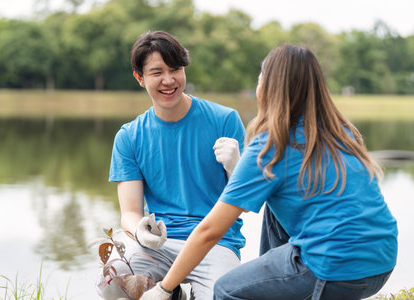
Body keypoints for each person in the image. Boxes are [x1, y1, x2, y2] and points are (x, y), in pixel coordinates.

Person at [140, 44, 398, 300]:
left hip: (335, 271)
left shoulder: (270, 147)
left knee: (226, 289)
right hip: (382, 261)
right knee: (272, 213)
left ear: (268, 85)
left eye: (260, 76)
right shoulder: (342, 131)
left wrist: (164, 289)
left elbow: (210, 231)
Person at [97, 31, 246, 299]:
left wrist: (237, 168)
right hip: (159, 245)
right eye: (157, 72)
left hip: (217, 242)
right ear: (140, 78)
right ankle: (172, 293)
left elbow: (245, 206)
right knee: (113, 283)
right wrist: (141, 233)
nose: (169, 80)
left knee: (224, 294)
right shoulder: (129, 136)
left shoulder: (225, 120)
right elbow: (130, 212)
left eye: (175, 69)